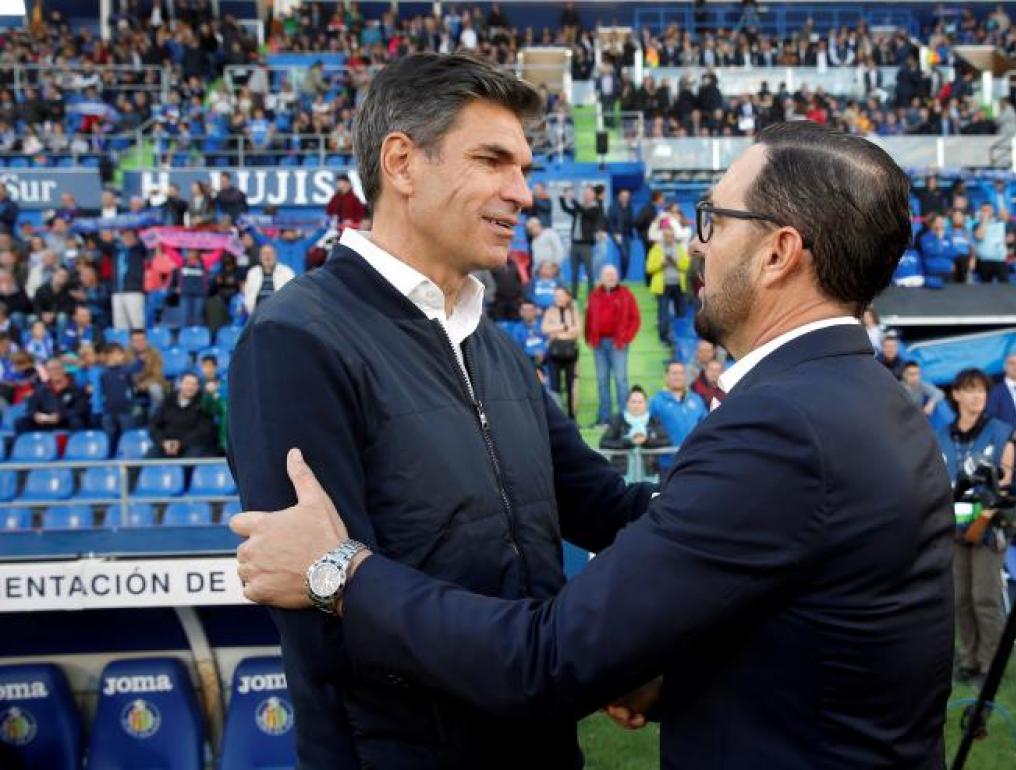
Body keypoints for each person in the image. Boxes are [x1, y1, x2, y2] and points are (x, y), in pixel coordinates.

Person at [232, 123, 954, 769]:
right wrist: (653, 662)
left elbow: (546, 658)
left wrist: (337, 573)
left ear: (777, 253)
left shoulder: (785, 426)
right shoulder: (867, 399)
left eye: (713, 220)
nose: (695, 241)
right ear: (401, 163)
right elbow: (691, 547)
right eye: (493, 160)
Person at [226, 53, 656, 770]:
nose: (522, 193)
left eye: (523, 167)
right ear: (401, 163)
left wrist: (750, 500)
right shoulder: (294, 340)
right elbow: (326, 626)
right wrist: (547, 661)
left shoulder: (492, 345)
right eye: (493, 160)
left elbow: (608, 509)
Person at [934, 367, 1015, 687]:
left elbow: (1006, 478)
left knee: (985, 597)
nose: (976, 396)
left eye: (981, 390)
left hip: (988, 525)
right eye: (969, 390)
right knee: (960, 598)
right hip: (952, 526)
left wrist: (985, 505)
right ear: (956, 395)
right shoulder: (939, 435)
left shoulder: (1000, 431)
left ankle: (990, 664)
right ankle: (967, 658)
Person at [584, 264, 639, 426]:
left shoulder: (626, 294)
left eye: (613, 275)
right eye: (607, 275)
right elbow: (588, 317)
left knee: (621, 381)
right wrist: (589, 337)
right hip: (599, 344)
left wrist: (624, 339)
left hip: (618, 344)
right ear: (601, 278)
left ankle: (623, 418)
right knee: (602, 381)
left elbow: (635, 319)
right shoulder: (594, 295)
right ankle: (604, 418)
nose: (611, 278)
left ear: (618, 277)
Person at [599, 385, 671, 477]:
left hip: (650, 475)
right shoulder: (618, 420)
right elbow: (604, 443)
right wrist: (628, 442)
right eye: (633, 402)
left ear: (646, 404)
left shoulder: (654, 421)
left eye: (640, 402)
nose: (636, 405)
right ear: (627, 403)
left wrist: (647, 441)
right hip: (622, 475)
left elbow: (666, 441)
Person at [147, 373, 219, 458]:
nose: (190, 387)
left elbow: (203, 431)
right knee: (148, 459)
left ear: (198, 387)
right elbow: (154, 426)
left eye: (194, 384)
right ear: (180, 384)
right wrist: (163, 442)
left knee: (192, 459)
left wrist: (180, 443)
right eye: (187, 383)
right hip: (166, 445)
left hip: (192, 446)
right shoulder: (167, 402)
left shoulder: (203, 404)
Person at [16, 358, 90, 433]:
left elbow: (80, 409)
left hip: (65, 420)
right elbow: (31, 408)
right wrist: (36, 415)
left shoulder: (75, 387)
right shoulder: (40, 389)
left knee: (76, 421)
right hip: (45, 421)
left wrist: (60, 416)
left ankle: (77, 444)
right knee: (21, 422)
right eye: (51, 369)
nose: (55, 372)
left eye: (58, 368)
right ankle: (26, 444)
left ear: (63, 369)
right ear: (47, 372)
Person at [647, 224, 690, 346]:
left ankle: (680, 338)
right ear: (662, 237)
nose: (669, 238)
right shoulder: (656, 249)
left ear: (674, 237)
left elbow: (686, 266)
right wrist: (661, 264)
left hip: (679, 285)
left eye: (671, 236)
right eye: (666, 236)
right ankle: (664, 338)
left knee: (681, 313)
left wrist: (677, 262)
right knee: (663, 314)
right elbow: (649, 268)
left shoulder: (680, 248)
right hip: (663, 286)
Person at [560, 185, 605, 299]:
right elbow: (567, 209)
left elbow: (585, 212)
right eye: (585, 193)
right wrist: (562, 198)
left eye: (589, 193)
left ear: (594, 196)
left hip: (586, 245)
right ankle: (574, 297)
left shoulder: (595, 208)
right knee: (574, 273)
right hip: (575, 244)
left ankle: (591, 296)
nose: (586, 195)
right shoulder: (580, 207)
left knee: (589, 272)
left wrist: (573, 200)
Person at [542, 285, 580, 417]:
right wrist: (564, 327)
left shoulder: (574, 311)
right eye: (556, 295)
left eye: (560, 295)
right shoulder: (550, 310)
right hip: (554, 353)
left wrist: (556, 332)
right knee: (555, 387)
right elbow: (545, 329)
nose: (557, 298)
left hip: (571, 353)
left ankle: (572, 416)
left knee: (571, 386)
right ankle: (558, 415)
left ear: (567, 296)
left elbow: (577, 331)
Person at [110, 228, 148, 330]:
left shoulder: (138, 250)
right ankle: (122, 344)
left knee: (137, 322)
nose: (126, 238)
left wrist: (137, 241)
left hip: (133, 291)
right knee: (119, 323)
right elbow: (103, 244)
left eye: (129, 236)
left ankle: (139, 344)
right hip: (117, 291)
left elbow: (144, 247)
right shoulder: (117, 251)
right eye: (124, 236)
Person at [243, 244, 295, 315]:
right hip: (257, 314)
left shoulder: (287, 271)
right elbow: (247, 294)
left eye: (270, 253)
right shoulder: (252, 272)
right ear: (260, 257)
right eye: (264, 253)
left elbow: (292, 295)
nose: (267, 256)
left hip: (279, 314)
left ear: (276, 256)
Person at [973, 202, 1011, 283]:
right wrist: (984, 222)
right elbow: (979, 236)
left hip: (1000, 260)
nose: (986, 212)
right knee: (985, 289)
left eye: (988, 210)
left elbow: (1009, 238)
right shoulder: (976, 224)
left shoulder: (1000, 223)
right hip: (984, 262)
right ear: (980, 212)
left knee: (1005, 288)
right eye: (984, 210)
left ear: (992, 211)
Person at [173, 249, 210, 329]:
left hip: (199, 294)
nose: (190, 253)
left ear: (197, 253)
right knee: (183, 316)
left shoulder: (204, 263)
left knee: (198, 317)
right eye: (188, 251)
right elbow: (170, 253)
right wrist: (161, 239)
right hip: (185, 293)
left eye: (193, 251)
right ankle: (183, 336)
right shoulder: (182, 262)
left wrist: (223, 243)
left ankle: (197, 337)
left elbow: (217, 255)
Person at [607, 188, 634, 279]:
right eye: (623, 196)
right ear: (619, 197)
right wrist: (615, 233)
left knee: (627, 256)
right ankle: (621, 276)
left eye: (627, 196)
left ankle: (624, 276)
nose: (625, 198)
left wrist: (632, 234)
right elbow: (610, 222)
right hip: (617, 234)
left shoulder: (629, 207)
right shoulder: (613, 207)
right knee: (624, 254)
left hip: (627, 235)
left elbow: (631, 222)